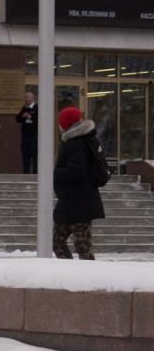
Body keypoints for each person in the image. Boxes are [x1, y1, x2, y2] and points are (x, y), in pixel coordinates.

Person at [53, 106, 104, 260]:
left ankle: (88, 278)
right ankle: (71, 274)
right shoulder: (84, 140)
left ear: (65, 124)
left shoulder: (76, 143)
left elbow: (77, 171)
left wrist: (56, 172)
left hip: (79, 202)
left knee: (81, 245)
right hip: (73, 203)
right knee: (59, 242)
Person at [15, 91, 38, 174]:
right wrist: (22, 115)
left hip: (34, 136)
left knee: (35, 156)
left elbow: (38, 121)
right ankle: (25, 174)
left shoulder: (36, 108)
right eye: (25, 97)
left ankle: (36, 174)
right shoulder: (24, 108)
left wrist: (30, 116)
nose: (26, 99)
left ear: (33, 98)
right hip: (25, 136)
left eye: (27, 97)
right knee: (25, 157)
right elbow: (17, 119)